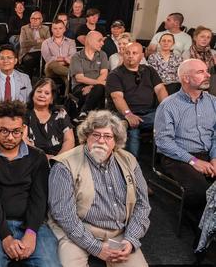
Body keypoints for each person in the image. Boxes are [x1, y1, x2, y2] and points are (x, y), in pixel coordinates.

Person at [49, 110, 151, 267]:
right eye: (96, 135)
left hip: (118, 234)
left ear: (116, 140)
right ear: (86, 137)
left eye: (108, 136)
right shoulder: (65, 165)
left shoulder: (129, 161)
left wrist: (130, 240)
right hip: (76, 233)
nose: (101, 141)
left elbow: (142, 205)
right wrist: (95, 247)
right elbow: (64, 215)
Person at [0, 100, 61, 267]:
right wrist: (6, 236)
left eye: (16, 132)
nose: (10, 137)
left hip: (30, 223)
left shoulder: (37, 157)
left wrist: (31, 232)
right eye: (4, 131)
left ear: (24, 129)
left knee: (50, 264)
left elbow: (39, 199)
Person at [154, 59, 216, 229]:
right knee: (199, 190)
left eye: (206, 71)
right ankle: (202, 227)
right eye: (200, 72)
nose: (208, 75)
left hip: (207, 153)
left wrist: (214, 157)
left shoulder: (213, 102)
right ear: (186, 79)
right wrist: (193, 161)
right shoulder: (169, 105)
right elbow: (163, 142)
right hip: (177, 156)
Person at [107, 42, 168, 157]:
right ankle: (131, 165)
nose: (130, 56)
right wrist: (128, 114)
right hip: (123, 112)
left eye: (134, 53)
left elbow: (160, 89)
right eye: (127, 53)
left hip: (149, 112)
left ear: (142, 55)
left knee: (165, 116)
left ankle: (130, 124)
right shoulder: (115, 74)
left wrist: (166, 107)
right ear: (123, 55)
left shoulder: (149, 70)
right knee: (133, 134)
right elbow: (117, 97)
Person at [25, 78, 74, 158]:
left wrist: (57, 159)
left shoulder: (60, 113)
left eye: (47, 93)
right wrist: (44, 157)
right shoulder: (24, 113)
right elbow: (23, 140)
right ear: (33, 94)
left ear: (52, 98)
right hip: (33, 158)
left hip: (60, 158)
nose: (42, 95)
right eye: (39, 91)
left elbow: (69, 140)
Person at [69, 31, 108, 121]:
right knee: (99, 90)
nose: (102, 43)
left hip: (97, 87)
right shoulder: (76, 57)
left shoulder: (102, 55)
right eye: (100, 40)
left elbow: (104, 74)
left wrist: (91, 86)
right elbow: (80, 78)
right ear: (90, 41)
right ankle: (96, 118)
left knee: (99, 89)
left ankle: (84, 112)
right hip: (80, 87)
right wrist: (95, 85)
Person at [41, 19, 76, 87]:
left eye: (60, 28)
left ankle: (66, 96)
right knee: (53, 64)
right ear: (51, 29)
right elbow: (48, 59)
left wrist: (57, 59)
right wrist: (65, 59)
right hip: (50, 69)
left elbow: (72, 57)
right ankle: (74, 73)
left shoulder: (71, 42)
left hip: (67, 67)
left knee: (67, 79)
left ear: (64, 29)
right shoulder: (46, 43)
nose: (58, 31)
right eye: (55, 28)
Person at [19, 11, 50, 77]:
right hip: (28, 52)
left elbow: (48, 43)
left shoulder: (46, 28)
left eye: (37, 18)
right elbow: (23, 44)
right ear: (30, 19)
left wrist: (30, 42)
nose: (35, 20)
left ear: (41, 20)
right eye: (33, 18)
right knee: (29, 61)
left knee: (46, 60)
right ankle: (27, 82)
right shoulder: (24, 28)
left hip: (42, 52)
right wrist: (37, 41)